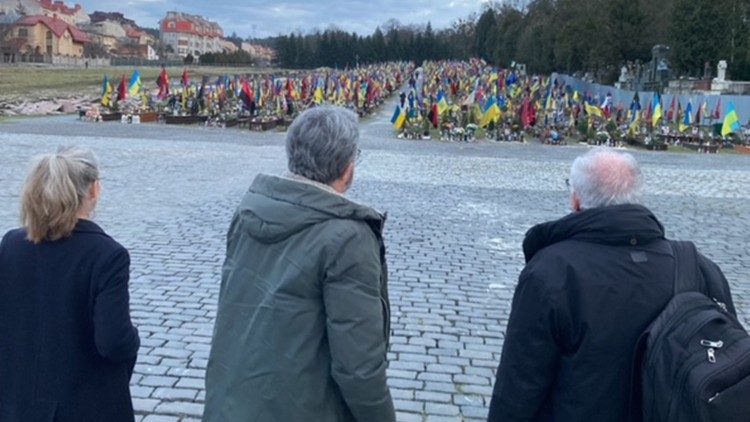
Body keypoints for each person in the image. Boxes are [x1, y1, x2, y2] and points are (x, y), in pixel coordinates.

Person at [487, 148, 736, 421]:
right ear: (638, 197)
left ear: (576, 200)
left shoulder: (551, 273)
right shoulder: (701, 268)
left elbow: (519, 385)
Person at [204, 106, 395, 422]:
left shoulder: (249, 211)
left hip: (232, 402)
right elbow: (359, 367)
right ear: (348, 170)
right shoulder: (348, 238)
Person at [0, 147, 140, 422]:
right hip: (86, 405)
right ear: (94, 190)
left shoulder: (11, 245)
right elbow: (113, 341)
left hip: (17, 403)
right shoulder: (107, 255)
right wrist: (133, 340)